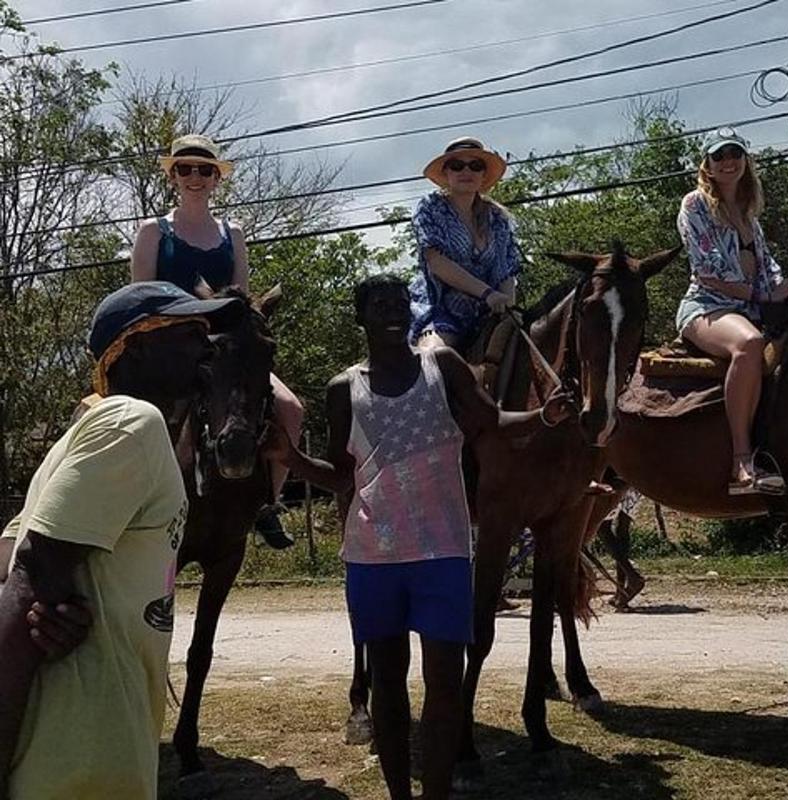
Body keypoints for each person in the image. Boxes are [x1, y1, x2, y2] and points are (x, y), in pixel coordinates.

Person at [267, 274, 573, 800]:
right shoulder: (345, 389)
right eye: (378, 304)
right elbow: (343, 475)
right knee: (387, 685)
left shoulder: (443, 366)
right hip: (372, 558)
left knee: (444, 686)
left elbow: (488, 419)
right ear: (359, 317)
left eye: (399, 301)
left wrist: (544, 415)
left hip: (443, 552)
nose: (391, 311)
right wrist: (292, 460)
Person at [0, 282, 241, 800]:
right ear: (133, 348)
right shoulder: (133, 420)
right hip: (80, 756)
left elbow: (9, 556)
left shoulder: (85, 435)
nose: (207, 346)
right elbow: (26, 574)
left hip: (83, 754)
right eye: (189, 332)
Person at [129, 133, 303, 548]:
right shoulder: (154, 231)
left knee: (291, 409)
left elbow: (240, 301)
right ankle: (138, 506)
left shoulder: (233, 233)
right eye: (186, 168)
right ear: (173, 175)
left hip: (225, 350)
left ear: (215, 179)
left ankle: (266, 503)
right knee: (144, 424)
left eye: (205, 169)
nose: (195, 176)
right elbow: (140, 299)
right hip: (169, 348)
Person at [675, 127, 788, 495]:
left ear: (746, 160)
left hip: (752, 308)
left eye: (735, 153)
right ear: (708, 166)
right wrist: (765, 294)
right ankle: (741, 461)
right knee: (748, 344)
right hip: (706, 307)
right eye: (719, 156)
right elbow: (709, 272)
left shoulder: (749, 213)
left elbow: (768, 267)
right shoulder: (695, 205)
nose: (728, 161)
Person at [409, 137, 521, 351]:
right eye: (457, 165)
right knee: (434, 355)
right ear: (446, 173)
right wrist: (488, 294)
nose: (466, 171)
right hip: (441, 307)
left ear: (483, 175)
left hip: (490, 312)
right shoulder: (431, 207)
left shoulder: (497, 218)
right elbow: (436, 263)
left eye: (476, 166)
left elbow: (505, 271)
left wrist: (508, 306)